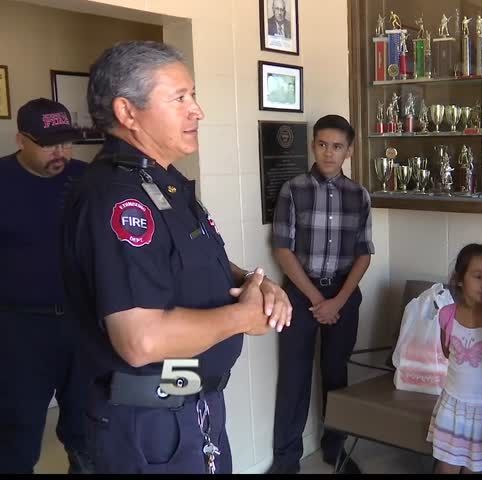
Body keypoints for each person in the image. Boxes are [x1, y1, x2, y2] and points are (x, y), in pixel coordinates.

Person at [60, 40, 292, 474]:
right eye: (180, 98)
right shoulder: (117, 198)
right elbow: (140, 340)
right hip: (146, 427)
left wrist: (257, 283)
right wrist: (244, 317)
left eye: (194, 96)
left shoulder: (164, 182)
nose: (197, 111)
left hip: (191, 408)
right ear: (128, 112)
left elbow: (197, 263)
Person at [268, 114, 374, 475]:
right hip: (299, 295)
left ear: (349, 150)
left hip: (343, 293)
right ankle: (285, 460)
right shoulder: (293, 189)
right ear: (313, 145)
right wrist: (316, 300)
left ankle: (335, 450)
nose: (329, 153)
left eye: (337, 146)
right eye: (322, 144)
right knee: (294, 376)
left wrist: (338, 301)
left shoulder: (359, 195)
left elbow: (364, 253)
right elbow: (283, 249)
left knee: (335, 374)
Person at [0, 98, 93, 474]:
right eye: (50, 144)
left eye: (67, 142)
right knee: (17, 432)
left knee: (87, 429)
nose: (61, 152)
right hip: (19, 329)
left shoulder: (87, 180)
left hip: (82, 324)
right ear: (21, 139)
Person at [427, 244, 482, 474]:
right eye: (478, 276)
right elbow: (446, 350)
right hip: (453, 408)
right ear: (460, 279)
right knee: (447, 468)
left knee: (476, 469)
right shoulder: (447, 315)